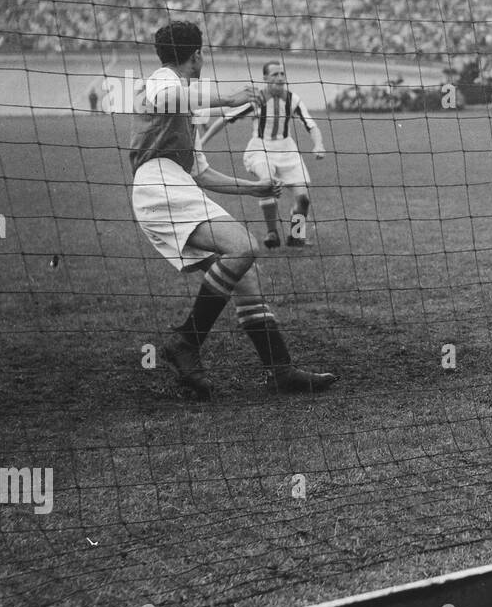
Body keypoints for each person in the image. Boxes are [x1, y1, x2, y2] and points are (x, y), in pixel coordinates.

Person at [129, 22, 337, 398]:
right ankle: (186, 342)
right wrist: (226, 98)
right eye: (201, 53)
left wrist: (253, 187)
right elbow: (162, 98)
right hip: (158, 186)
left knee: (245, 275)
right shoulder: (160, 81)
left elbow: (202, 173)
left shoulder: (185, 103)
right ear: (196, 55)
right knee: (243, 247)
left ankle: (280, 370)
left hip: (173, 184)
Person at [196, 59, 326, 249]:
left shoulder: (293, 99)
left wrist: (319, 144)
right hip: (260, 149)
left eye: (282, 74)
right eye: (275, 74)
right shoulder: (257, 99)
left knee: (303, 199)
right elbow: (224, 119)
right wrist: (201, 143)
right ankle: (272, 232)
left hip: (288, 150)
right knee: (267, 182)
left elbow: (311, 125)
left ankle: (296, 236)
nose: (280, 78)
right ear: (265, 78)